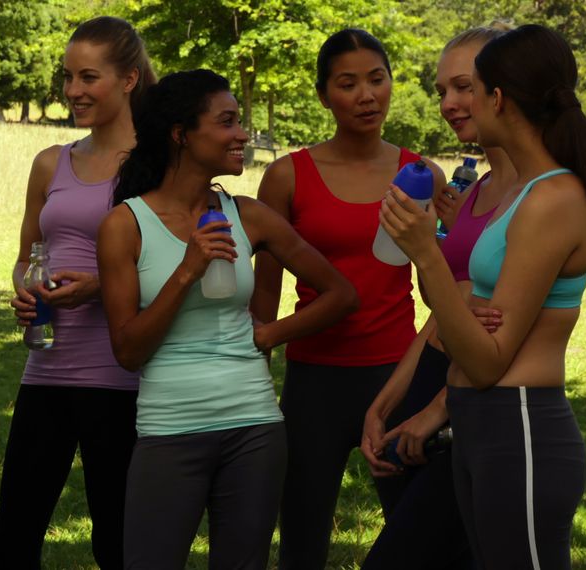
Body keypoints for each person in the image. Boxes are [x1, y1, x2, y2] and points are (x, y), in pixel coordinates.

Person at [97, 69, 358, 569]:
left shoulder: (249, 215)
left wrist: (270, 335)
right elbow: (128, 351)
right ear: (181, 134)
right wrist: (187, 271)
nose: (243, 134)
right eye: (227, 122)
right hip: (170, 428)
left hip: (254, 428)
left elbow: (340, 293)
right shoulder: (125, 225)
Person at [381, 24, 586, 570]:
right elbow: (468, 318)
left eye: (469, 88)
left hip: (517, 423)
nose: (458, 104)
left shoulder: (552, 198)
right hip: (480, 424)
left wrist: (426, 253)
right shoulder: (514, 191)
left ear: (497, 97)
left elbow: (485, 359)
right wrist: (459, 301)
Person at [250, 28, 445, 569]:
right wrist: (255, 372)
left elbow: (437, 288)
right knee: (302, 536)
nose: (366, 95)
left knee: (413, 533)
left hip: (398, 373)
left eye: (377, 80)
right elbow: (265, 287)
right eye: (348, 83)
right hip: (314, 376)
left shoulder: (422, 173)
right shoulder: (288, 174)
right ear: (323, 95)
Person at [0, 16, 155, 570]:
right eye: (68, 77)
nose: (73, 91)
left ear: (129, 79)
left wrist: (99, 288)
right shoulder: (50, 161)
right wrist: (24, 292)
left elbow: (183, 270)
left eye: (89, 77)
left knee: (119, 545)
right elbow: (23, 259)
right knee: (12, 540)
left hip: (123, 379)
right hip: (47, 373)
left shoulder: (159, 165)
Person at [359, 25, 517, 570]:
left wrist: (436, 412)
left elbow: (505, 328)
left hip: (471, 406)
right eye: (440, 91)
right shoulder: (476, 190)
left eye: (462, 87)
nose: (448, 104)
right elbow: (440, 319)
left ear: (503, 86)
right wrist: (384, 404)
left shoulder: (535, 194)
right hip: (428, 388)